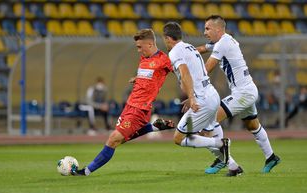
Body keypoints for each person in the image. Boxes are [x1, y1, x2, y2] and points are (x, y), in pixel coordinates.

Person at [71, 29, 174, 176]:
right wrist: (137, 78)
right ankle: (153, 127)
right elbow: (147, 76)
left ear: (150, 44)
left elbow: (181, 66)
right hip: (129, 106)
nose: (138, 50)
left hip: (140, 109)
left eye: (140, 47)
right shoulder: (144, 59)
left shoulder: (163, 60)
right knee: (119, 140)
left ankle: (85, 172)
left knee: (113, 139)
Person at [194, 15, 280, 175]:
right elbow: (202, 49)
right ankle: (271, 157)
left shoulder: (223, 43)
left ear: (218, 29)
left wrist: (190, 79)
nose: (204, 32)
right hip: (246, 90)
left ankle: (223, 159)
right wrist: (187, 52)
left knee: (208, 121)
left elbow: (207, 68)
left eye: (207, 28)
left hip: (243, 93)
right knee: (252, 125)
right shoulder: (224, 41)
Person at [161, 22, 231, 172]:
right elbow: (197, 73)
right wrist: (191, 95)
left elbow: (185, 73)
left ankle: (220, 144)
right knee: (203, 132)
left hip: (202, 101)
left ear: (167, 38)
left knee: (179, 138)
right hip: (211, 95)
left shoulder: (174, 52)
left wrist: (192, 97)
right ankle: (233, 166)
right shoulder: (189, 47)